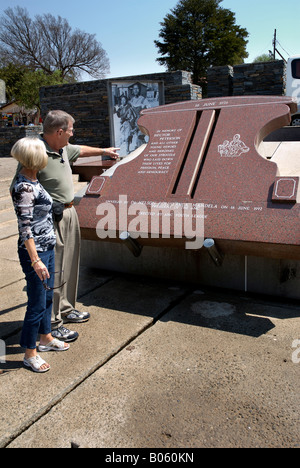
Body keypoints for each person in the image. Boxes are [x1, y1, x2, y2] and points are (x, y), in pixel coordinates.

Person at [11, 110, 119, 343]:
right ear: (59, 131)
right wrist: (47, 211)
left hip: (70, 212)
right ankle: (53, 322)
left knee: (69, 265)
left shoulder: (62, 149)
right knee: (55, 270)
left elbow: (79, 149)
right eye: (70, 130)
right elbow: (19, 193)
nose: (73, 133)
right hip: (52, 220)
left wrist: (104, 151)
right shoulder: (36, 152)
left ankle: (67, 308)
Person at [11, 137, 69, 373]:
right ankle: (29, 353)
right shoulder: (24, 187)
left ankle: (45, 338)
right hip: (35, 253)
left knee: (46, 298)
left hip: (47, 247)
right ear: (36, 157)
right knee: (35, 303)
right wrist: (35, 260)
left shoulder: (34, 179)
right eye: (43, 153)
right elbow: (25, 228)